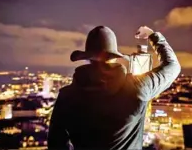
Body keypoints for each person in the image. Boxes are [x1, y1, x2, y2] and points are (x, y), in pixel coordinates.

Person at [48, 26, 181, 150]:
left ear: (88, 58)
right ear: (114, 57)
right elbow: (173, 66)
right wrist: (153, 36)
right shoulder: (137, 88)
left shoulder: (67, 96)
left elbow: (56, 143)